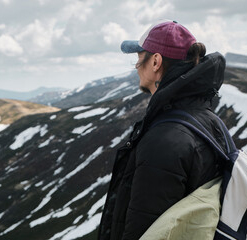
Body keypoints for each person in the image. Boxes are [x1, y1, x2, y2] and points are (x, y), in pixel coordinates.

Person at [98, 20, 226, 240]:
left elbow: (143, 229)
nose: (137, 66)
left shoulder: (164, 140)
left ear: (155, 61)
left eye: (139, 58)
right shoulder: (209, 120)